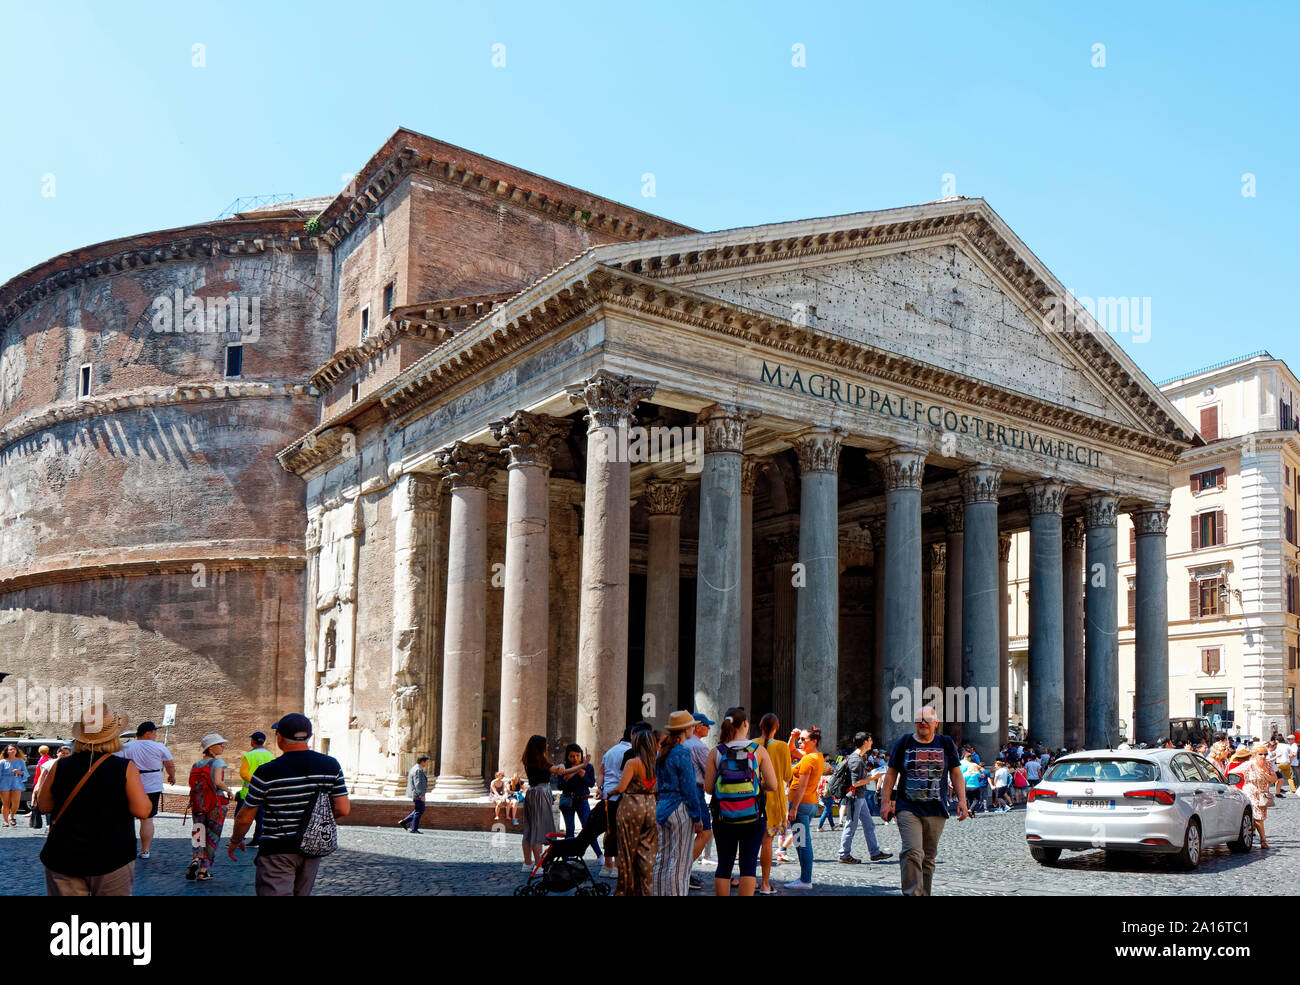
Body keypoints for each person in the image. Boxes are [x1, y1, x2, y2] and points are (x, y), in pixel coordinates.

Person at [227, 714, 351, 896]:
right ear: (309, 736)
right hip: (312, 848)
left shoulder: (267, 772)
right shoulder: (331, 766)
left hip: (277, 849)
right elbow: (343, 809)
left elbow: (245, 817)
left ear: (279, 737)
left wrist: (236, 840)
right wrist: (312, 823)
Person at [39, 703, 152, 896]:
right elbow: (142, 811)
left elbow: (43, 806)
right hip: (111, 854)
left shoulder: (59, 765)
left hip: (64, 853)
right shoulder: (125, 767)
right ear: (113, 735)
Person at [879, 706, 968, 897]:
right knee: (912, 852)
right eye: (919, 719)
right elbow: (891, 774)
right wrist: (885, 802)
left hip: (936, 808)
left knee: (928, 858)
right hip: (907, 806)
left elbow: (956, 773)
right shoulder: (904, 742)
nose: (923, 723)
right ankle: (913, 893)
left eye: (927, 719)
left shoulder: (945, 743)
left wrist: (962, 801)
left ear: (936, 723)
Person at [704, 707, 777, 896]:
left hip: (723, 816)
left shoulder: (716, 752)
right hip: (752, 815)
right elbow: (773, 784)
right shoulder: (757, 750)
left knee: (724, 865)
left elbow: (708, 788)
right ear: (745, 724)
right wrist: (755, 784)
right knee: (748, 866)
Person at [653, 711, 704, 895]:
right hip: (679, 807)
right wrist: (696, 816)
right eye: (692, 726)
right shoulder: (681, 752)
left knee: (663, 859)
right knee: (679, 863)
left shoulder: (663, 752)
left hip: (663, 807)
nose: (694, 728)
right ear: (686, 729)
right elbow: (689, 788)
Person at [520, 735, 586, 872]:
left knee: (529, 830)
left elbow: (557, 769)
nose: (547, 747)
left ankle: (527, 864)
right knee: (538, 831)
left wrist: (561, 766)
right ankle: (538, 865)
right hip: (540, 793)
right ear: (539, 747)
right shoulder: (540, 761)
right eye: (544, 745)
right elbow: (561, 771)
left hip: (532, 793)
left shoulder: (529, 760)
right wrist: (582, 765)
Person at [116, 721, 175, 859]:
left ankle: (125, 848)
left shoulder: (126, 746)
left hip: (130, 784)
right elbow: (169, 764)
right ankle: (145, 850)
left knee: (126, 818)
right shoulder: (160, 747)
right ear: (148, 732)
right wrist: (172, 776)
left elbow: (116, 764)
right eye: (155, 732)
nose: (156, 735)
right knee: (147, 819)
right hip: (153, 786)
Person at [610, 728, 658, 896]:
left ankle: (626, 890)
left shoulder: (633, 763)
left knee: (627, 851)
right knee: (648, 851)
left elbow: (622, 787)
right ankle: (646, 889)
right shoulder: (656, 762)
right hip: (651, 806)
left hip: (631, 806)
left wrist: (611, 792)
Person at [839, 731, 891, 864]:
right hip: (855, 797)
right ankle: (844, 854)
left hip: (860, 797)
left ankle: (875, 852)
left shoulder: (858, 758)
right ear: (864, 742)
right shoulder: (856, 760)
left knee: (869, 824)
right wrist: (873, 778)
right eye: (870, 740)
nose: (872, 742)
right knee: (851, 825)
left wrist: (870, 775)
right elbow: (856, 782)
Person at [187, 734, 234, 881]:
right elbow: (218, 782)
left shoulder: (196, 765)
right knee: (212, 837)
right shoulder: (218, 762)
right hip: (215, 804)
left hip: (198, 805)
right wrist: (229, 790)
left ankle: (195, 859)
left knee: (198, 832)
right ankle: (203, 870)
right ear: (211, 747)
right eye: (220, 744)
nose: (223, 747)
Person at [785, 726, 825, 890]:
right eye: (800, 739)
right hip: (809, 803)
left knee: (802, 843)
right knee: (801, 841)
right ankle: (804, 878)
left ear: (814, 741)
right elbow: (791, 750)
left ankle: (805, 880)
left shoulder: (808, 759)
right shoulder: (815, 756)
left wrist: (793, 808)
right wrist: (792, 737)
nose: (800, 741)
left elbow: (802, 786)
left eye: (803, 739)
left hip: (801, 805)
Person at [757, 713, 792, 895]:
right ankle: (764, 883)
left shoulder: (751, 744)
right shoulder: (782, 747)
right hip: (773, 800)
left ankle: (746, 879)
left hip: (751, 798)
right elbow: (787, 775)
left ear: (760, 726)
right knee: (767, 842)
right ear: (777, 727)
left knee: (746, 842)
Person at [597, 725, 634, 880]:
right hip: (620, 795)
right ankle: (617, 868)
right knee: (619, 833)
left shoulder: (611, 751)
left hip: (607, 795)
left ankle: (607, 865)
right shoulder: (631, 754)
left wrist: (600, 788)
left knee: (609, 831)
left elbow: (601, 772)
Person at [683, 713, 716, 874]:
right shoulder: (699, 747)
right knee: (705, 831)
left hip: (682, 791)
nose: (709, 728)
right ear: (698, 727)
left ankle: (682, 870)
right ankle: (684, 870)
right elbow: (710, 772)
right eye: (706, 725)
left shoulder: (682, 745)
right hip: (695, 790)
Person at [556, 743, 600, 861]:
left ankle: (599, 855)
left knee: (588, 828)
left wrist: (583, 774)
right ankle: (568, 855)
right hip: (568, 801)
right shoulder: (564, 768)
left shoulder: (588, 767)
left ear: (581, 755)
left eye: (577, 755)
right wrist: (566, 777)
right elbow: (559, 786)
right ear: (567, 757)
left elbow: (591, 783)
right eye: (572, 756)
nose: (575, 758)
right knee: (570, 828)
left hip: (582, 800)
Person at [237, 732, 274, 845]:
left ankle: (238, 840)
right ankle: (257, 840)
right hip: (265, 794)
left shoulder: (248, 756)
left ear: (252, 741)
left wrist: (256, 782)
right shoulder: (270, 756)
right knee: (261, 819)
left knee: (241, 818)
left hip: (248, 794)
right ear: (263, 741)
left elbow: (244, 774)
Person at [1239, 742, 1276, 849]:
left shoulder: (1268, 764)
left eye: (1265, 754)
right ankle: (1263, 840)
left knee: (1260, 817)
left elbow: (1274, 779)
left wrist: (1264, 774)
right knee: (1258, 816)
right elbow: (1232, 772)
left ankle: (1251, 830)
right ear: (1255, 754)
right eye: (1260, 754)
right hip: (1250, 791)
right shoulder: (1248, 765)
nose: (1263, 756)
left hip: (1262, 794)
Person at [399, 755, 429, 834]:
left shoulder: (415, 768)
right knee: (420, 810)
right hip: (417, 794)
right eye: (427, 762)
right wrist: (421, 795)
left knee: (418, 810)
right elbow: (418, 784)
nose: (427, 763)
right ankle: (413, 828)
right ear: (422, 762)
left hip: (415, 793)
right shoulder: (418, 770)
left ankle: (404, 822)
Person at [0, 744, 28, 825]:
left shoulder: (21, 761)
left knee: (16, 803)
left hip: (16, 783)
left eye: (14, 749)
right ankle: (5, 821)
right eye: (10, 749)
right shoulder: (2, 762)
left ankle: (11, 816)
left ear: (16, 751)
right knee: (6, 803)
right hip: (4, 783)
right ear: (7, 751)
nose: (12, 751)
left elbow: (25, 772)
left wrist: (19, 772)